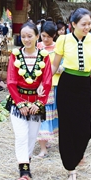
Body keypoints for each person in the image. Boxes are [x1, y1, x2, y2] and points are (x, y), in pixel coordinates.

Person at [51, 8, 91, 180]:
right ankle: (70, 168)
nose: (87, 27)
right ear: (73, 24)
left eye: (89, 24)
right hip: (66, 85)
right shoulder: (63, 40)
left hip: (84, 86)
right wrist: (43, 86)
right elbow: (54, 65)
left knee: (85, 130)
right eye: (83, 24)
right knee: (66, 127)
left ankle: (77, 156)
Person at [6, 22, 52, 180]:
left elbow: (47, 82)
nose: (26, 39)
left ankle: (26, 162)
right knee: (21, 136)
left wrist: (39, 103)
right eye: (23, 36)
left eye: (30, 36)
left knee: (32, 136)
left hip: (36, 104)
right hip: (18, 104)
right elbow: (11, 82)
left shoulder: (44, 56)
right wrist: (20, 103)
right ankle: (24, 171)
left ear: (37, 37)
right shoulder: (15, 55)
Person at [36, 21, 60, 158]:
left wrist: (53, 70)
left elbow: (63, 67)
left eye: (49, 37)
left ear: (54, 35)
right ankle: (43, 148)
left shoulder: (58, 48)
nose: (45, 39)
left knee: (52, 115)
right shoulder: (37, 47)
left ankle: (46, 141)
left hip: (55, 85)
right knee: (42, 115)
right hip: (41, 87)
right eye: (43, 36)